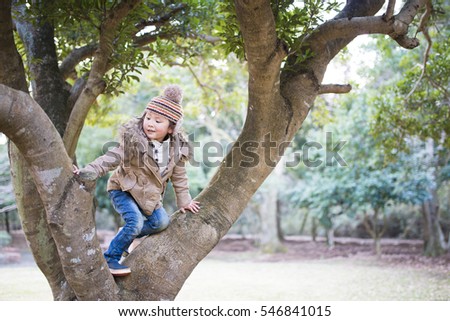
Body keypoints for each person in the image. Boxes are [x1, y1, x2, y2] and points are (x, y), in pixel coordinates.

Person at [73, 85, 200, 276]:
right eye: (148, 118)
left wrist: (185, 201)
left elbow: (180, 178)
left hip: (148, 197)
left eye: (158, 121)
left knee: (161, 223)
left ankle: (126, 233)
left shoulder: (177, 150)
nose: (150, 123)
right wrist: (88, 171)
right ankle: (110, 258)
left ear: (171, 128)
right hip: (123, 189)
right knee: (136, 222)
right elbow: (111, 157)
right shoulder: (133, 141)